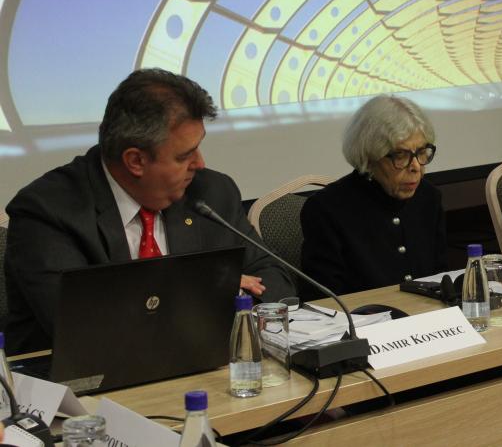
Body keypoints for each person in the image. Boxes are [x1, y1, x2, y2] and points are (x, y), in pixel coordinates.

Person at [4, 69, 294, 353]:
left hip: (203, 369)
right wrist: (206, 289)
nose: (200, 163)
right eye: (184, 155)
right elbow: (83, 328)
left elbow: (275, 280)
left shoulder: (211, 192)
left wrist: (234, 295)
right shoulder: (48, 212)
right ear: (136, 161)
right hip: (80, 381)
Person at [300, 95, 447, 297]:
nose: (416, 167)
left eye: (421, 152)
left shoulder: (429, 198)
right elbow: (325, 300)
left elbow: (441, 278)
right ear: (370, 156)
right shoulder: (327, 210)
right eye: (401, 155)